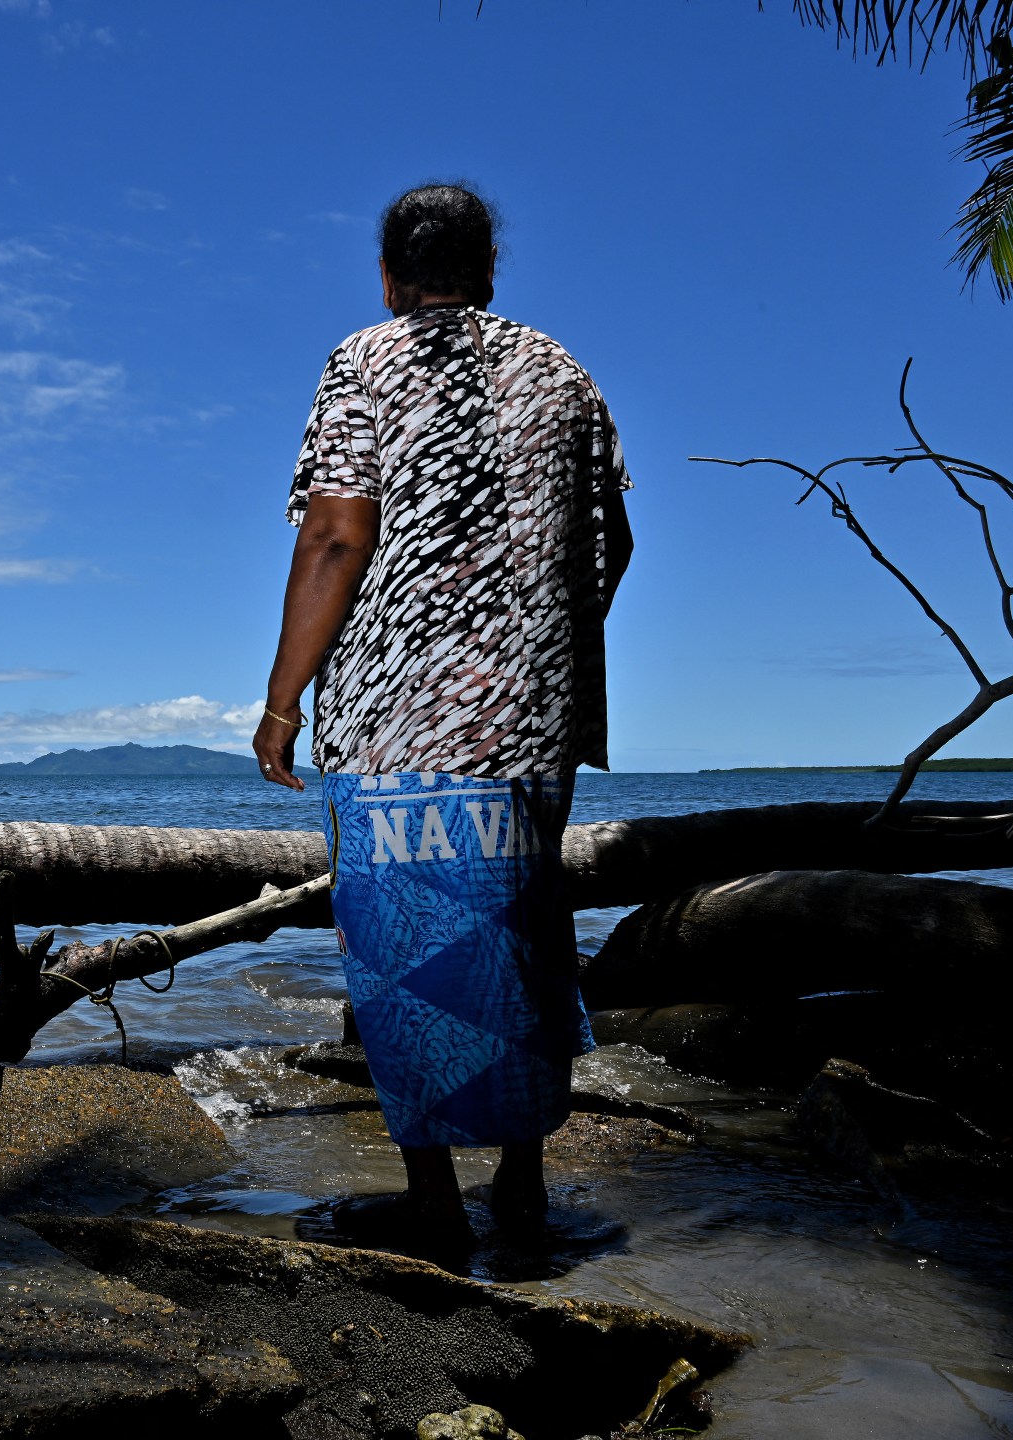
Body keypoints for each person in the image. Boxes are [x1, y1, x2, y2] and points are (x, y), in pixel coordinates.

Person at [252, 183, 633, 1257]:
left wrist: (283, 702)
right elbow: (613, 543)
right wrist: (530, 648)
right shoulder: (563, 372)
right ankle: (523, 1182)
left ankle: (431, 1199)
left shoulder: (364, 361)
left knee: (400, 954)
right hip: (530, 721)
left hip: (397, 727)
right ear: (489, 272)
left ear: (388, 275)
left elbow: (335, 534)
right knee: (522, 934)